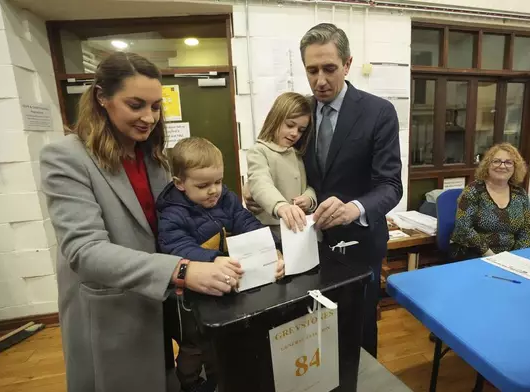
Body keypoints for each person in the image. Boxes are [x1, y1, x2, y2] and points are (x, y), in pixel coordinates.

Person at [39, 52, 243, 392]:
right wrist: (181, 270)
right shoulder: (66, 157)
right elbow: (84, 251)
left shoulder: (154, 158)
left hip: (158, 305)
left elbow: (187, 220)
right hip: (112, 312)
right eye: (136, 105)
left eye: (155, 106)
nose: (149, 117)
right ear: (101, 97)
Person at [244, 23, 402, 357]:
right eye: (311, 70)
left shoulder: (378, 112)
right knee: (310, 329)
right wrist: (256, 192)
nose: (320, 80)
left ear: (347, 64)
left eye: (329, 69)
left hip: (359, 243)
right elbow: (274, 159)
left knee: (358, 330)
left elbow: (390, 185)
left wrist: (354, 208)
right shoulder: (300, 112)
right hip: (304, 244)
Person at [156, 136, 285, 392]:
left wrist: (274, 248)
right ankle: (190, 384)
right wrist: (214, 260)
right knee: (194, 347)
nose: (213, 190)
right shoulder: (171, 213)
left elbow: (245, 222)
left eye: (218, 181)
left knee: (221, 341)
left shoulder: (224, 197)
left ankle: (218, 378)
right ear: (180, 183)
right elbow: (177, 247)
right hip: (187, 301)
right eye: (203, 185)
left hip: (221, 287)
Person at [246, 92, 317, 240]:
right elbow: (260, 182)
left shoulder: (297, 154)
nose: (294, 133)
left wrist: (309, 199)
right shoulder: (259, 151)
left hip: (298, 229)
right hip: (271, 231)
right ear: (275, 119)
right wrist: (280, 206)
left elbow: (308, 185)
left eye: (301, 130)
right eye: (290, 125)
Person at [450, 143, 530, 260]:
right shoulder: (474, 190)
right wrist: (491, 256)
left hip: (510, 257)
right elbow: (463, 228)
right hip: (473, 253)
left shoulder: (520, 194)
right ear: (487, 165)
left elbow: (526, 231)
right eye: (496, 161)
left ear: (515, 167)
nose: (502, 166)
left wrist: (516, 257)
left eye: (508, 162)